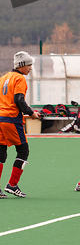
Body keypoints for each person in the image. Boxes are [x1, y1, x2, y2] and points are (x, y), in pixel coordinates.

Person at [0, 51, 40, 198]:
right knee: (23, 151)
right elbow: (18, 100)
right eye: (29, 65)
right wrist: (31, 113)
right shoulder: (19, 79)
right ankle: (12, 184)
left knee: (1, 154)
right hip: (11, 119)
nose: (30, 68)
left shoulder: (4, 78)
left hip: (0, 118)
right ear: (22, 65)